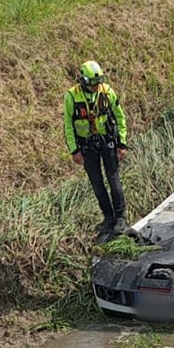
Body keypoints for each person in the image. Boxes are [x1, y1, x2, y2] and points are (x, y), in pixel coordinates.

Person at [63, 60, 131, 240]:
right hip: (87, 145)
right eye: (93, 83)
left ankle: (121, 218)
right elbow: (68, 125)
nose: (96, 86)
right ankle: (108, 217)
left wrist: (122, 143)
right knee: (96, 182)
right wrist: (74, 150)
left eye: (98, 82)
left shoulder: (106, 92)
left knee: (113, 178)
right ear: (83, 81)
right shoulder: (72, 97)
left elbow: (120, 117)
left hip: (107, 141)